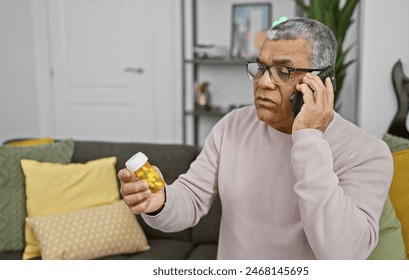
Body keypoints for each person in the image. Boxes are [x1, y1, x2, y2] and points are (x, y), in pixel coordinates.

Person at [118, 17, 393, 259]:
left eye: (284, 71)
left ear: (323, 81)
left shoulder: (367, 152)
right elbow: (190, 198)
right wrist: (161, 201)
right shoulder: (233, 125)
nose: (263, 82)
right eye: (260, 67)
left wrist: (308, 138)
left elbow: (343, 253)